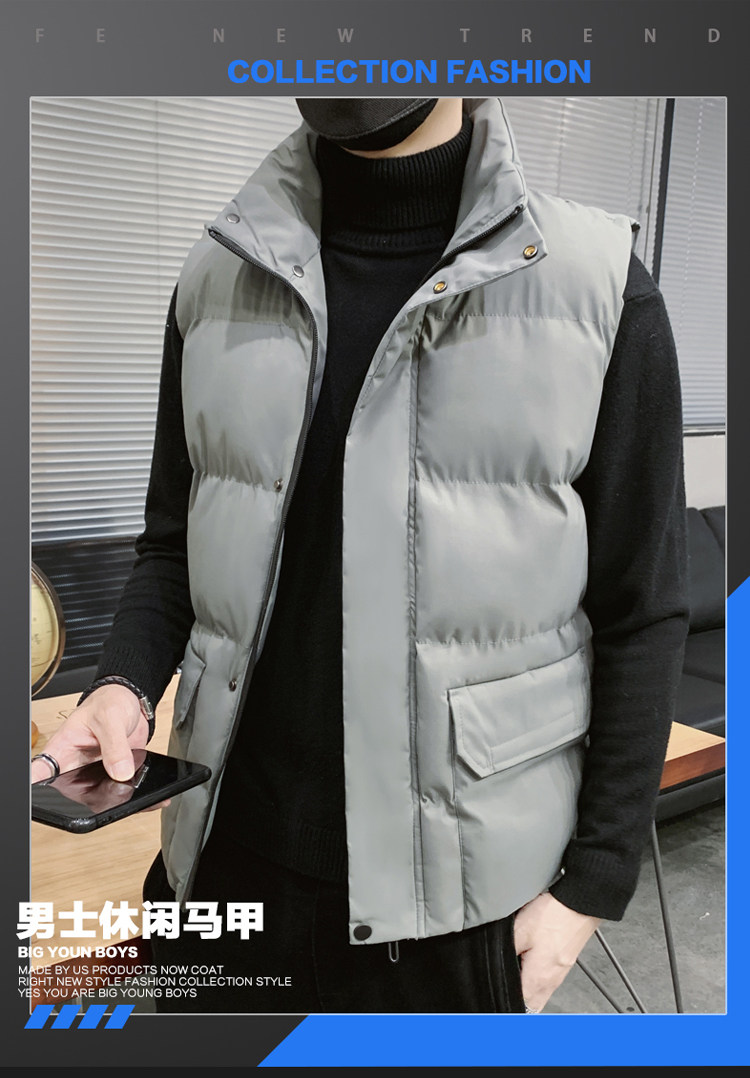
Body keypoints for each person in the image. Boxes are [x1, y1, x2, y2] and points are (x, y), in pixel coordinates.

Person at [31, 97, 689, 1014]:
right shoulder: (219, 273)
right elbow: (174, 546)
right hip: (220, 869)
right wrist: (122, 684)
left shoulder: (596, 286)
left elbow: (641, 608)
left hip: (455, 918)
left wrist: (594, 884)